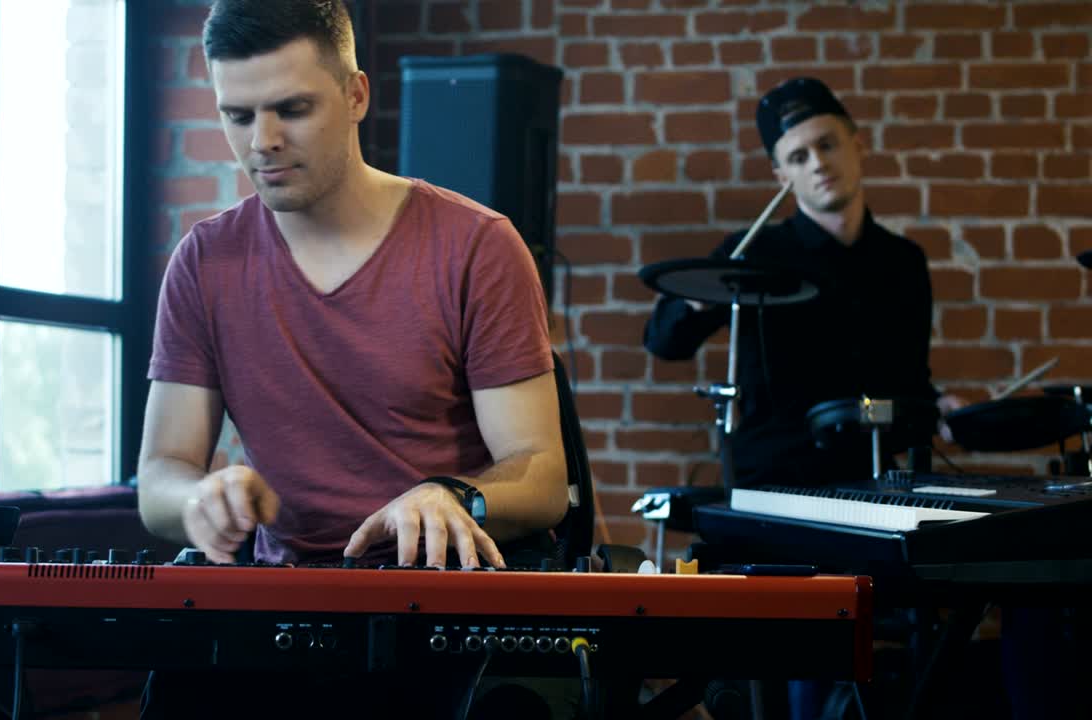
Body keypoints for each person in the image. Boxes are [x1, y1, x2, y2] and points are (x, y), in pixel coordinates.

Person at [135, 1, 570, 717]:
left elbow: (544, 477)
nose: (263, 141)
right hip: (284, 615)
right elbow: (159, 480)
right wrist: (198, 500)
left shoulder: (476, 247)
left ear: (357, 94)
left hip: (441, 609)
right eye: (238, 116)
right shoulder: (205, 263)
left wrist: (455, 494)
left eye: (292, 108)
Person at [644, 76, 957, 490]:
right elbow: (665, 343)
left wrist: (942, 408)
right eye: (798, 156)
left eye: (827, 145)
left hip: (872, 475)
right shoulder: (751, 254)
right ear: (782, 176)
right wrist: (698, 299)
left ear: (857, 147)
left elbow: (909, 380)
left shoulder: (903, 261)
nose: (817, 163)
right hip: (774, 479)